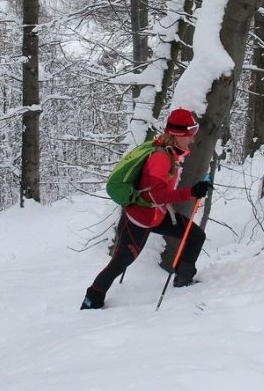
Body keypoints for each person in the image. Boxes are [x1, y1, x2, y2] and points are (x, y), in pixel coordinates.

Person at [81, 108, 212, 310]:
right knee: (120, 262)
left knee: (195, 235)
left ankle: (183, 281)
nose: (192, 141)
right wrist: (191, 192)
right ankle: (92, 300)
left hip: (157, 216)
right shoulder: (160, 158)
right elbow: (156, 195)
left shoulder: (169, 152)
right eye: (190, 136)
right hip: (139, 220)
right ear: (177, 135)